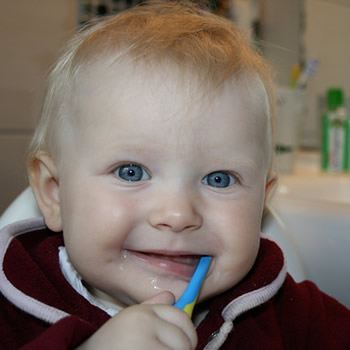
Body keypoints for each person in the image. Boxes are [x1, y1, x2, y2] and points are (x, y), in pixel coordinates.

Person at [0, 1, 349, 349]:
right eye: (131, 172)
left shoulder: (290, 315)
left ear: (262, 199)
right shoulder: (10, 317)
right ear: (54, 193)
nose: (178, 215)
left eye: (219, 179)